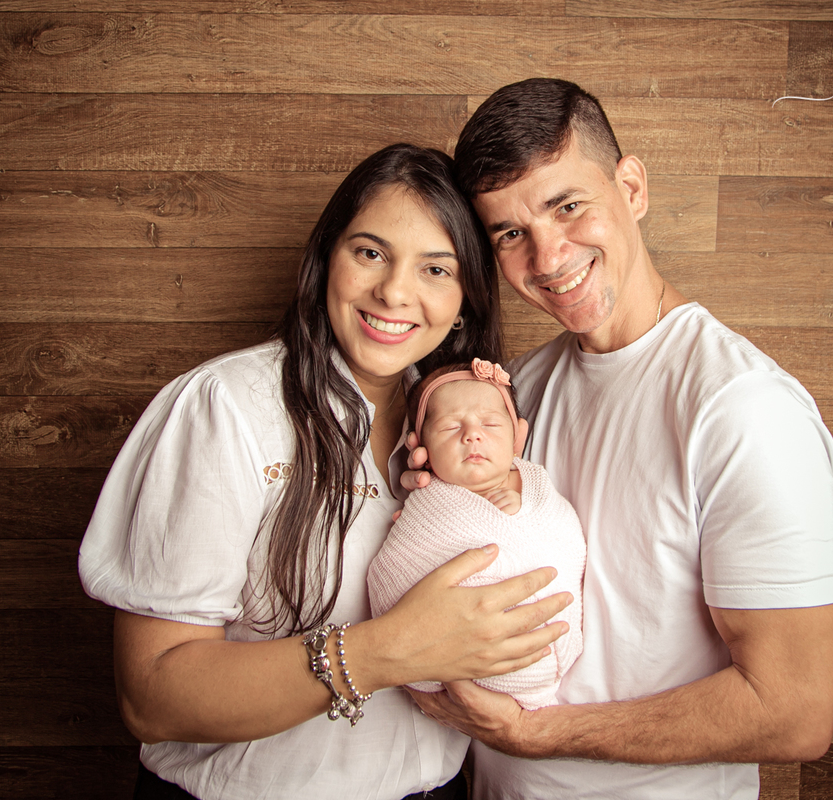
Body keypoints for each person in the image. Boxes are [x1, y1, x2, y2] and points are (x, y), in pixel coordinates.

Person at [77, 143, 574, 800]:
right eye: (370, 253)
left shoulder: (470, 434)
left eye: (435, 268)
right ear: (327, 260)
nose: (395, 291)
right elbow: (152, 697)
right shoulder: (227, 407)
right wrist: (385, 650)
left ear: (465, 301)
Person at [404, 79, 833, 799]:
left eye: (567, 206)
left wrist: (531, 734)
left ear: (631, 188)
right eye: (510, 234)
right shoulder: (519, 392)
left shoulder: (743, 410)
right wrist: (431, 499)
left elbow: (793, 713)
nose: (547, 257)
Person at [367, 358, 586, 711]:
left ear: (518, 437)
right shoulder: (429, 503)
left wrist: (521, 510)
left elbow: (564, 538)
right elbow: (394, 570)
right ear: (420, 447)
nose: (472, 434)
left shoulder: (537, 482)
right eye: (451, 427)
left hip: (552, 645)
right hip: (460, 662)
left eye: (490, 423)